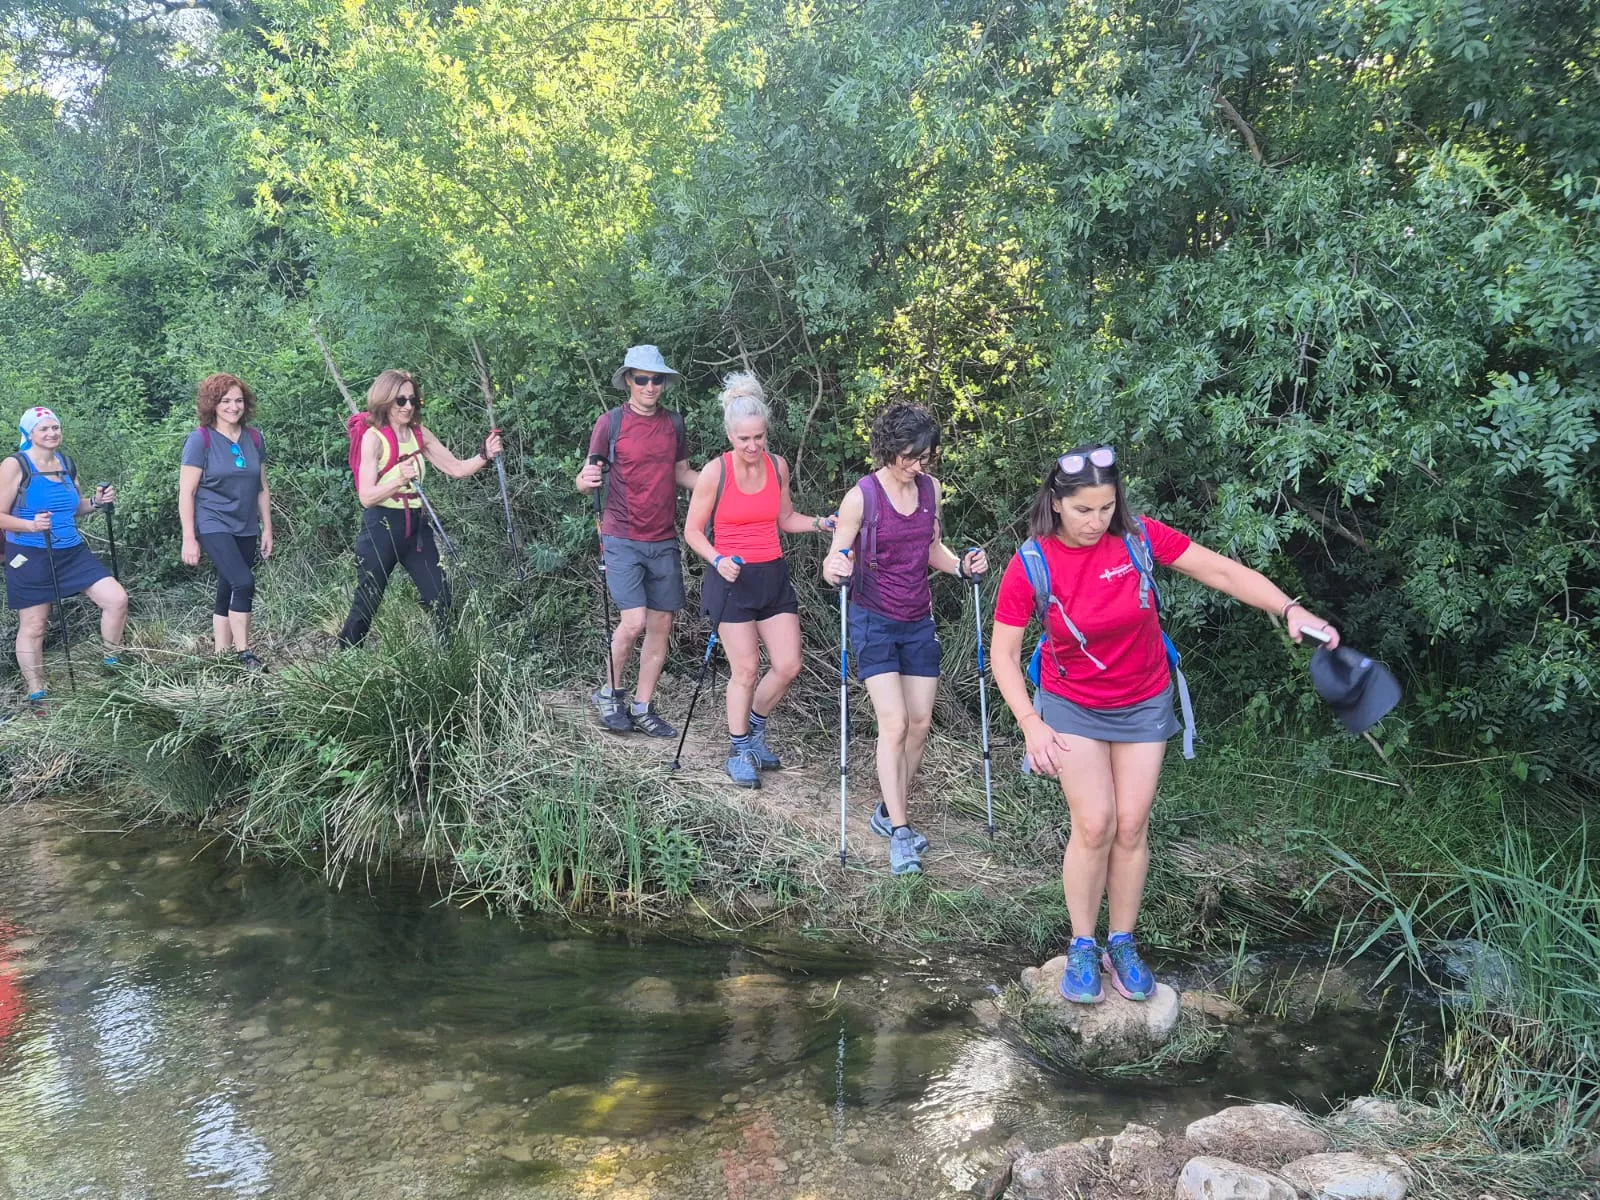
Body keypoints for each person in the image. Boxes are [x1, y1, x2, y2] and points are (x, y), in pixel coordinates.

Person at [989, 445, 1338, 1003]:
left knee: (1131, 825)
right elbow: (1002, 655)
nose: (1095, 521)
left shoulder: (1137, 539)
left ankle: (1122, 942)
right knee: (1096, 822)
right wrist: (1030, 722)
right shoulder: (1032, 562)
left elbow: (1219, 570)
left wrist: (1290, 608)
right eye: (1083, 510)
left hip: (1145, 699)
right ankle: (1083, 943)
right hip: (1070, 702)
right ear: (1056, 503)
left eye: (1105, 508)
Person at [820, 404, 986, 875]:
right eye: (910, 457)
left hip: (918, 619)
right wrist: (836, 570)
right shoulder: (862, 497)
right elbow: (835, 562)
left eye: (925, 457)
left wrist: (961, 567)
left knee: (919, 724)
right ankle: (900, 833)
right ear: (889, 449)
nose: (918, 466)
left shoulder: (931, 490)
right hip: (872, 620)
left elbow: (932, 548)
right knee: (893, 725)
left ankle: (888, 812)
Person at [684, 374, 834, 787]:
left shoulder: (777, 466)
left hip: (771, 574)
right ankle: (737, 751)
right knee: (746, 669)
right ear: (730, 435)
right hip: (730, 577)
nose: (752, 447)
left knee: (788, 664)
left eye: (759, 437)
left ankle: (753, 732)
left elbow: (786, 519)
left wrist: (822, 522)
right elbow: (693, 531)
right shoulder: (716, 472)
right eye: (744, 439)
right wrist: (717, 558)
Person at [574, 346, 699, 737]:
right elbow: (585, 478)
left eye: (656, 379)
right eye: (641, 379)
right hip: (621, 535)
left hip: (663, 538)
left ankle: (643, 706)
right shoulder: (610, 423)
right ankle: (610, 693)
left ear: (664, 382)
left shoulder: (674, 424)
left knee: (661, 624)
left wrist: (723, 484)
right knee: (634, 622)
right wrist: (584, 481)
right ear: (628, 379)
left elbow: (683, 473)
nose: (649, 386)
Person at [336, 370, 502, 647]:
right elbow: (366, 496)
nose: (409, 406)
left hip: (416, 526)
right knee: (369, 597)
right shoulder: (373, 438)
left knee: (440, 595)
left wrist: (484, 454)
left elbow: (456, 468)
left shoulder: (418, 433)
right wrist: (399, 479)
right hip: (382, 525)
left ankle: (447, 657)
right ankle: (347, 652)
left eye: (414, 400)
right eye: (401, 400)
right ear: (386, 400)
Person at [0, 407, 128, 711]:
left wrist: (96, 503)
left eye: (55, 427)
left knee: (116, 599)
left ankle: (112, 665)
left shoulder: (66, 464)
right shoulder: (15, 465)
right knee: (35, 626)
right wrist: (31, 525)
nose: (52, 433)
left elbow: (73, 508)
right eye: (44, 429)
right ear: (29, 433)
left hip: (71, 550)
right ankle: (37, 694)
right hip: (29, 553)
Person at [179, 373, 274, 669]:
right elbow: (187, 491)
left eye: (238, 401)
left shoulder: (254, 438)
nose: (233, 407)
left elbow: (261, 487)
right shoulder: (201, 439)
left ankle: (221, 659)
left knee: (227, 588)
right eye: (225, 401)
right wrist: (189, 538)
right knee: (243, 582)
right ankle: (245, 653)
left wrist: (267, 527)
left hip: (245, 523)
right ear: (212, 404)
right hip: (212, 521)